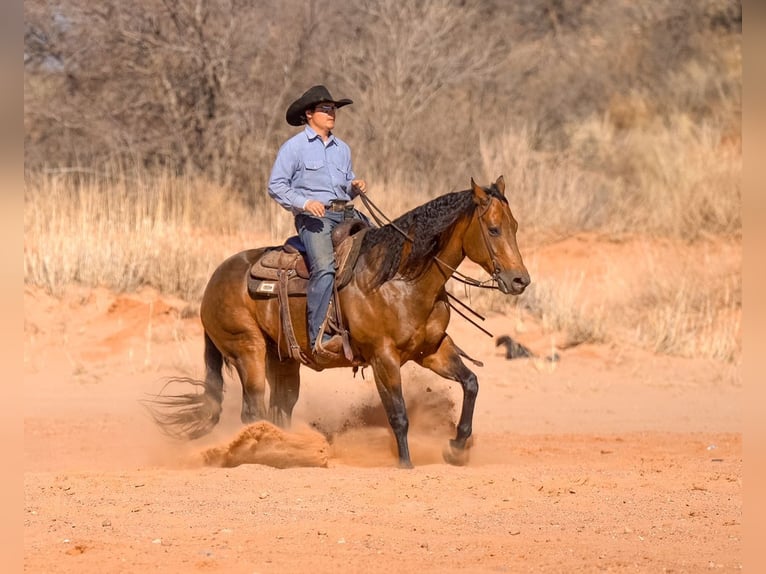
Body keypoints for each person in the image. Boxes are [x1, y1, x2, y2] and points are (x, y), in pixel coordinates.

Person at [267, 85, 368, 361]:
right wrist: (303, 203)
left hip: (345, 213)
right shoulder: (294, 148)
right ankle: (318, 336)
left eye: (333, 108)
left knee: (381, 248)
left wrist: (354, 186)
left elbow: (344, 185)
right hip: (314, 219)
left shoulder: (342, 149)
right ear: (309, 114)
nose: (331, 113)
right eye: (325, 109)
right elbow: (275, 185)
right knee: (324, 267)